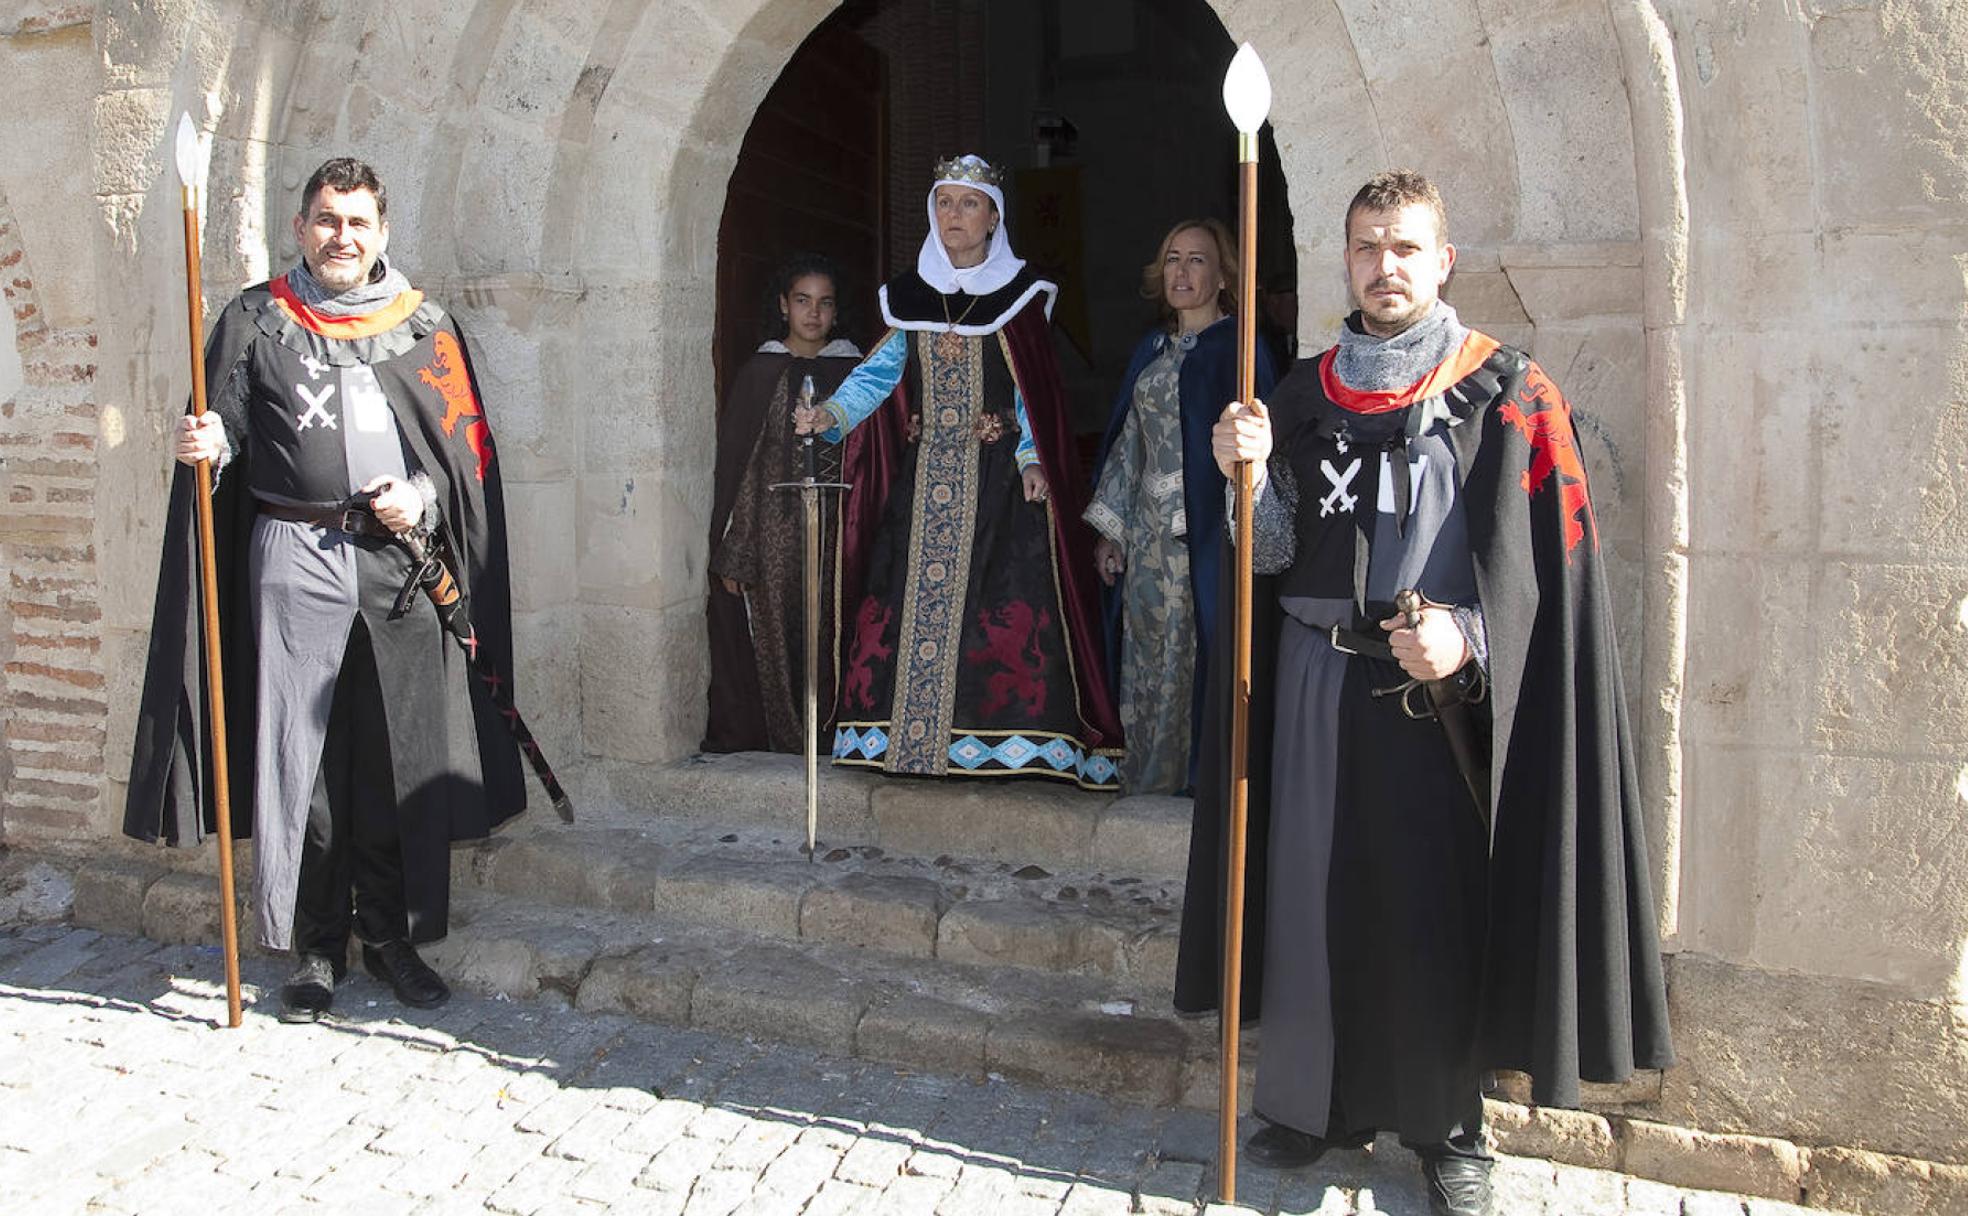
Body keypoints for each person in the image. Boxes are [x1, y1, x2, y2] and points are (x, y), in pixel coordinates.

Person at [1173, 170, 1672, 1216]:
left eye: (1404, 248)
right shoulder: (1300, 395)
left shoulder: (1508, 391)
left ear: (1442, 260)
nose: (1383, 266)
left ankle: (1449, 1125)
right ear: (1344, 260)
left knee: (1432, 909)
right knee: (1306, 897)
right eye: (1365, 248)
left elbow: (1552, 578)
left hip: (1436, 698)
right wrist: (1241, 476)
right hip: (1315, 675)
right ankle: (1307, 1105)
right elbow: (1269, 556)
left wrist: (1469, 639)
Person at [125, 158, 528, 1022]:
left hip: (397, 563)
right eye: (325, 220)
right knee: (300, 766)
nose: (340, 236)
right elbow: (226, 429)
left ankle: (390, 937)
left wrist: (415, 497)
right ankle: (314, 947)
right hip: (292, 553)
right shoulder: (256, 317)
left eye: (357, 222)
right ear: (302, 227)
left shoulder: (427, 328)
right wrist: (205, 446)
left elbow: (461, 458)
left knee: (393, 756)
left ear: (382, 231)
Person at [793, 154, 1122, 789]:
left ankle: (997, 745)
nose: (955, 216)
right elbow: (879, 375)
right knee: (900, 601)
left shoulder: (1020, 295)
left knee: (999, 608)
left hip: (998, 480)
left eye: (969, 204)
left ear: (994, 217)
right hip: (922, 481)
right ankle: (905, 741)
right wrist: (830, 414)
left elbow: (1034, 392)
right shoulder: (909, 295)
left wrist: (1033, 457)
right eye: (945, 203)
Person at [1085, 219, 1276, 794]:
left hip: (1206, 537)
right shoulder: (1152, 349)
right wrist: (1110, 532)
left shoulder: (1241, 349)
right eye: (1172, 259)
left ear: (1223, 276)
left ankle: (1198, 782)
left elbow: (1265, 451)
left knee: (1195, 656)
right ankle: (1144, 778)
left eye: (1197, 260)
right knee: (1144, 656)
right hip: (1145, 537)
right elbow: (1127, 444)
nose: (1182, 272)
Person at [703, 255, 863, 754]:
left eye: (824, 303)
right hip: (772, 531)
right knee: (775, 637)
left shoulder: (857, 375)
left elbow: (871, 460)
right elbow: (743, 466)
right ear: (783, 306)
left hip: (838, 528)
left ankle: (835, 737)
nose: (813, 314)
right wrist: (739, 547)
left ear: (836, 313)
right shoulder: (760, 373)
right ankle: (785, 742)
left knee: (836, 632)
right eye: (802, 301)